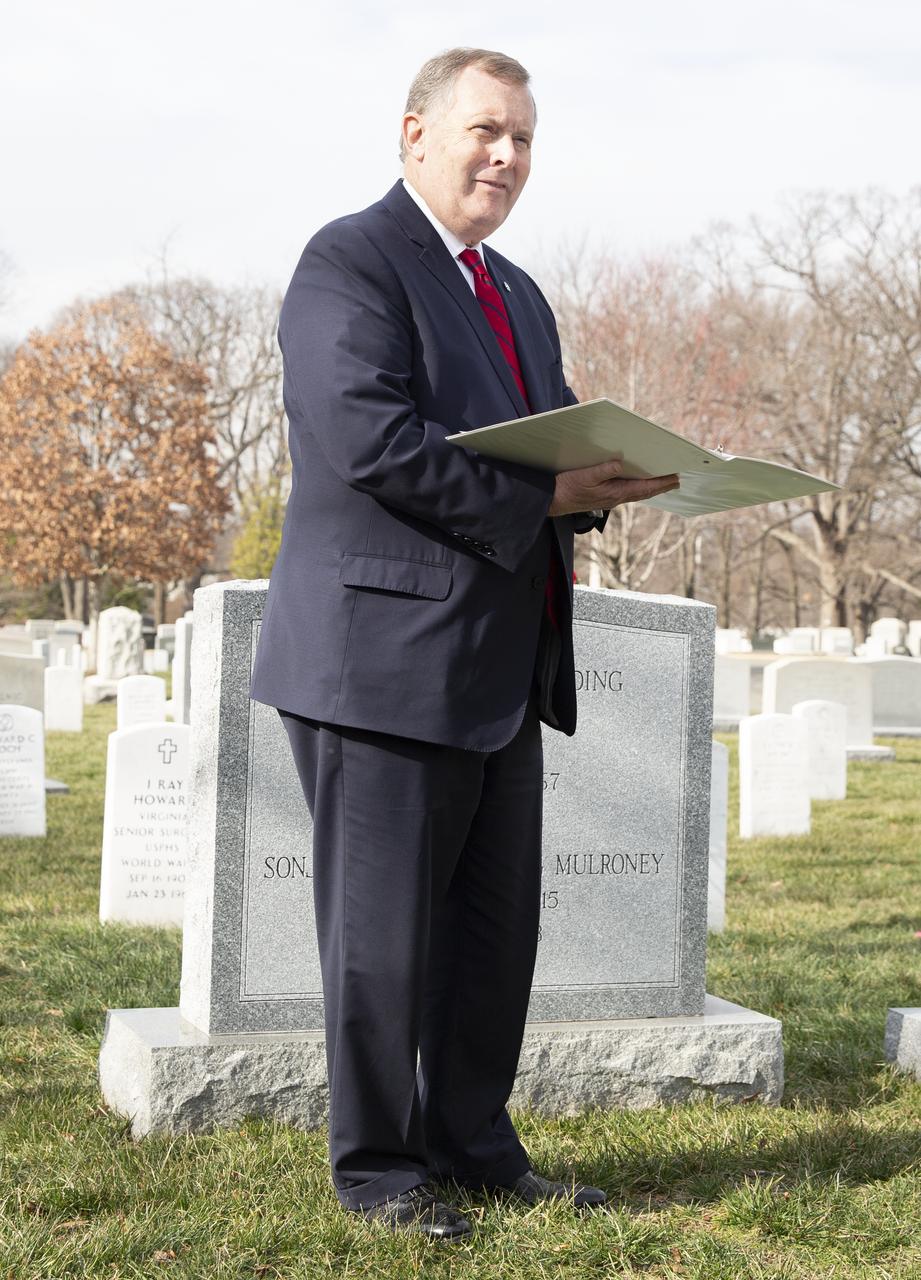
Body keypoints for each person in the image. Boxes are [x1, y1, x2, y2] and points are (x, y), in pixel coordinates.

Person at [251, 47, 679, 1241]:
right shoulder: (350, 260)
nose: (507, 156)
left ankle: (477, 1148)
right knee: (382, 943)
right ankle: (381, 1173)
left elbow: (535, 455)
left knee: (494, 938)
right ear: (416, 134)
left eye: (525, 139)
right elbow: (367, 437)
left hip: (502, 664)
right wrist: (544, 498)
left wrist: (604, 483)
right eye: (487, 130)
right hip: (377, 663)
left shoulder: (521, 294)